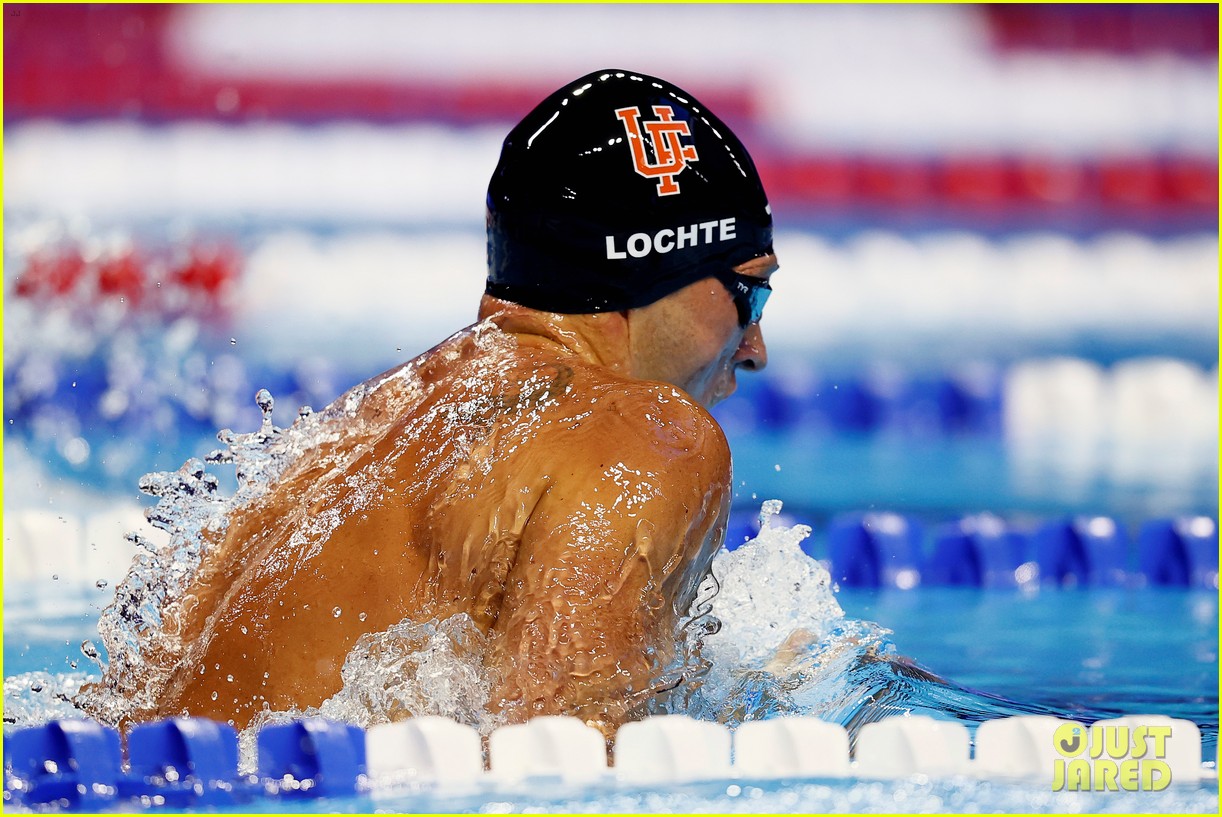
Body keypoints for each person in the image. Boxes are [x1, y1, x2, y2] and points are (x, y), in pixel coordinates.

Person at [135, 69, 779, 737]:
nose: (755, 345)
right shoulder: (652, 440)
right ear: (655, 267)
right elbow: (559, 766)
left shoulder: (373, 418)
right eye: (749, 292)